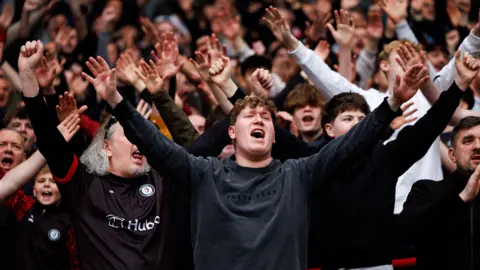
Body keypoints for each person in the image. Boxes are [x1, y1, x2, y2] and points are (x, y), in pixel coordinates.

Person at [79, 34, 423, 268]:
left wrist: (391, 103)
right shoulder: (203, 173)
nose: (259, 118)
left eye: (265, 117)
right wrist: (116, 102)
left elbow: (351, 144)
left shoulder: (299, 173)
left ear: (274, 135)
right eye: (249, 115)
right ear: (231, 131)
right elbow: (157, 146)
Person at [264, 5, 480, 213]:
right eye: (403, 55)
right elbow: (326, 77)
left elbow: (455, 69)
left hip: (429, 205)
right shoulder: (367, 103)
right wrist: (291, 42)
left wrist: (475, 37)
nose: (410, 61)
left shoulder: (431, 95)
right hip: (384, 208)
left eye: (415, 57)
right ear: (384, 65)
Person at [19, 40, 192, 270]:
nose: (139, 141)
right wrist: (27, 75)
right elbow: (50, 143)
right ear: (107, 147)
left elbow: (194, 145)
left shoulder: (164, 180)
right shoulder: (84, 185)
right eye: (130, 136)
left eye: (142, 138)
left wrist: (162, 92)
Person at [308, 49, 479, 269]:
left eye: (362, 119)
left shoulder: (385, 158)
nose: (357, 124)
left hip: (377, 265)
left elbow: (429, 126)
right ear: (329, 129)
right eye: (348, 118)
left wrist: (459, 86)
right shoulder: (311, 162)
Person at [398, 116, 480, 270]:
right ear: (452, 155)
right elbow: (406, 232)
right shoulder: (426, 190)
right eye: (468, 140)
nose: (478, 146)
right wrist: (461, 199)